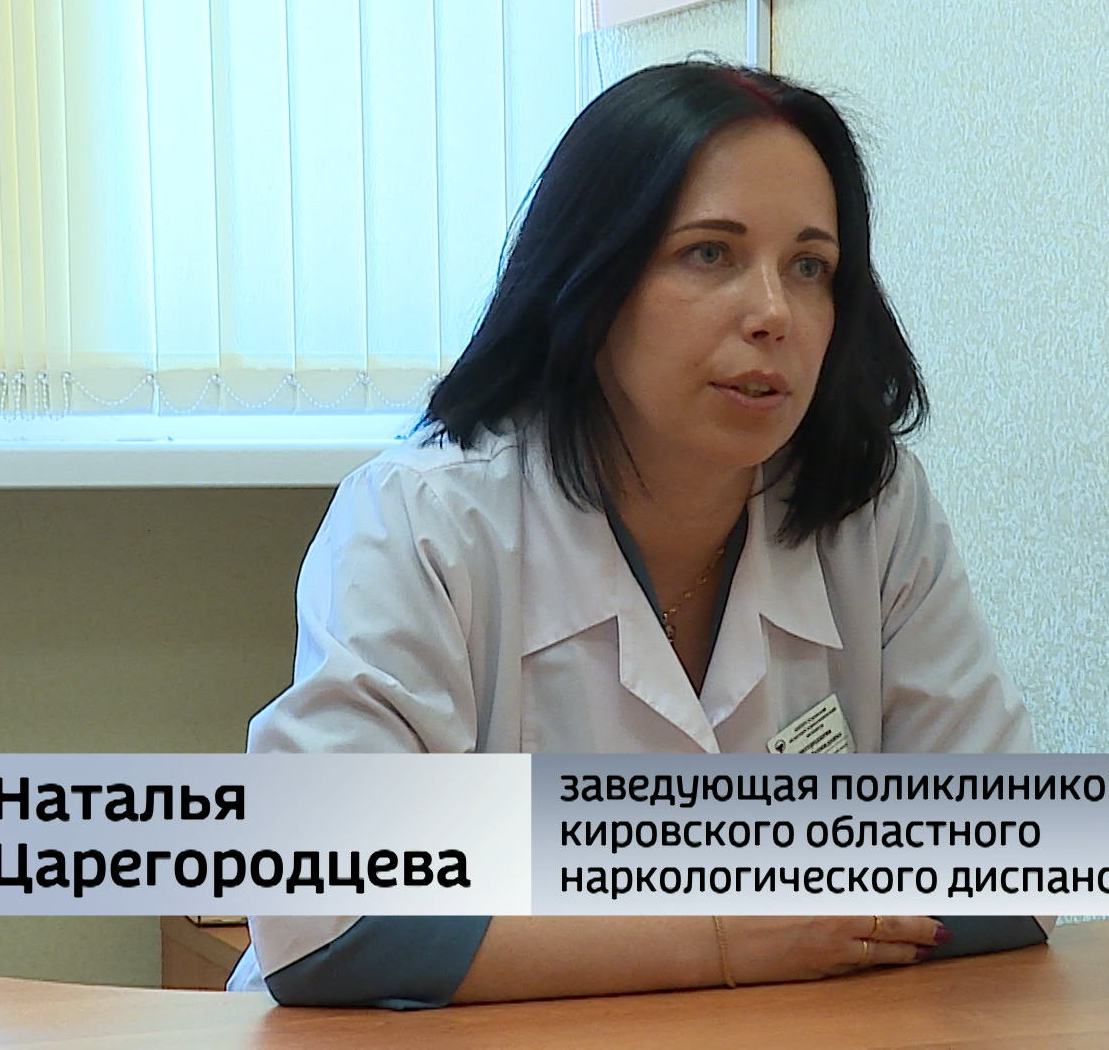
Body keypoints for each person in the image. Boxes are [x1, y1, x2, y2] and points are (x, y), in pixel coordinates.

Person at [229, 62, 1034, 1007]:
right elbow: (331, 918)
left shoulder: (869, 509)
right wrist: (733, 934)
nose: (773, 313)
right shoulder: (425, 516)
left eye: (809, 267)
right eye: (710, 253)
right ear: (593, 280)